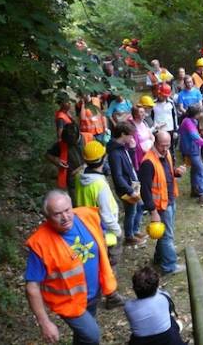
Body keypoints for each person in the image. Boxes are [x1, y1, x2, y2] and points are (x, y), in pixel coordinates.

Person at [25, 191, 124, 345]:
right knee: (92, 336)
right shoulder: (40, 243)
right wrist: (45, 323)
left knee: (82, 337)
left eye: (67, 210)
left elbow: (102, 235)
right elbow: (32, 287)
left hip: (92, 294)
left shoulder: (87, 216)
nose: (65, 217)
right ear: (47, 217)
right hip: (69, 303)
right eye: (57, 214)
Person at [139, 131, 187, 275]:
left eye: (168, 145)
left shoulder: (165, 154)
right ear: (155, 142)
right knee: (167, 236)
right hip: (160, 206)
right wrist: (153, 212)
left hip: (170, 200)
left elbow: (167, 173)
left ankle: (159, 258)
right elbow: (145, 190)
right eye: (162, 146)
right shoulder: (148, 162)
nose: (165, 148)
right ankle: (169, 266)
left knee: (165, 234)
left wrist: (176, 172)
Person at [74, 141, 122, 267]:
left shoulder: (79, 177)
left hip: (86, 227)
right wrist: (118, 232)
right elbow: (106, 215)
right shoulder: (99, 185)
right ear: (102, 158)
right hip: (105, 231)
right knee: (109, 265)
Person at [125, 266, 187, 345]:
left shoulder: (128, 306)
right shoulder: (164, 297)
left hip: (141, 341)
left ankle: (178, 325)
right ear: (157, 286)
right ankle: (178, 325)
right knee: (170, 319)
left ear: (134, 288)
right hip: (168, 339)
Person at [107, 122, 146, 246]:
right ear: (123, 134)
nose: (132, 138)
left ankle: (134, 230)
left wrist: (133, 149)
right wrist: (130, 191)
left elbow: (129, 163)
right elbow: (118, 176)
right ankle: (129, 236)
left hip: (131, 184)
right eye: (130, 135)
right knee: (131, 211)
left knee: (139, 206)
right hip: (126, 188)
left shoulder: (122, 147)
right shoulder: (114, 152)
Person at [46, 123, 94, 198]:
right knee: (77, 206)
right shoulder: (62, 143)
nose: (68, 144)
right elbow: (48, 155)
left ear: (76, 137)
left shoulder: (89, 138)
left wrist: (84, 166)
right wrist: (57, 161)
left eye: (70, 143)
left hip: (92, 178)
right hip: (73, 182)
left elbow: (100, 155)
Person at [179, 105, 203, 204]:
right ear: (196, 114)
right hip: (191, 150)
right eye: (200, 112)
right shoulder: (188, 122)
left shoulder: (192, 121)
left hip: (194, 149)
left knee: (194, 170)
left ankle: (195, 190)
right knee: (202, 171)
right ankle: (202, 194)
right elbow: (194, 136)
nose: (202, 114)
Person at [152, 84, 178, 155]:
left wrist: (175, 130)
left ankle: (172, 162)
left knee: (170, 149)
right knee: (159, 148)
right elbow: (151, 117)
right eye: (162, 95)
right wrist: (153, 128)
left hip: (170, 129)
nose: (163, 97)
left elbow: (174, 116)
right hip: (158, 130)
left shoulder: (171, 103)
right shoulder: (153, 104)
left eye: (165, 96)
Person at [131, 105, 155, 170]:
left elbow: (151, 136)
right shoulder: (132, 127)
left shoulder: (144, 123)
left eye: (144, 111)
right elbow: (134, 144)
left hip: (150, 151)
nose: (144, 114)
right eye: (141, 112)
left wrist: (151, 144)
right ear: (135, 115)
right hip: (141, 155)